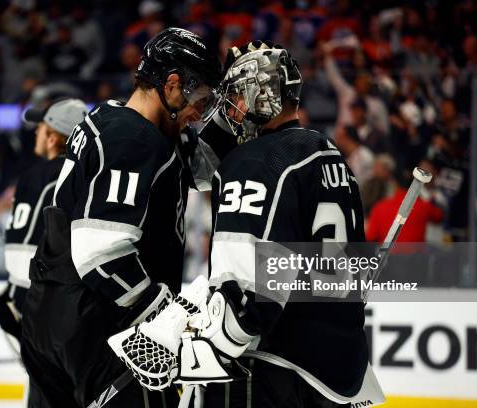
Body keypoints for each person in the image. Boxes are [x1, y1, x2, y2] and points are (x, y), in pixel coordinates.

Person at [110, 41, 374, 408]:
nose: (230, 111)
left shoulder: (254, 162)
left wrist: (194, 354)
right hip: (339, 367)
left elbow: (247, 296)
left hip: (275, 367)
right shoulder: (327, 154)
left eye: (236, 96)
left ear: (260, 97)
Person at [21, 28, 230, 408]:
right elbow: (101, 253)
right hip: (95, 322)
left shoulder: (113, 118)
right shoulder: (133, 139)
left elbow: (198, 169)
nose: (201, 110)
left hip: (51, 312)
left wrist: (242, 112)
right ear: (172, 84)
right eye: (199, 96)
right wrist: (167, 310)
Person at [0, 98, 88, 343]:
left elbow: (22, 250)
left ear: (53, 138)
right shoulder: (88, 175)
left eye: (41, 127)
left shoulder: (39, 175)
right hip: (67, 302)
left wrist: (17, 298)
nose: (35, 132)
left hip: (32, 301)